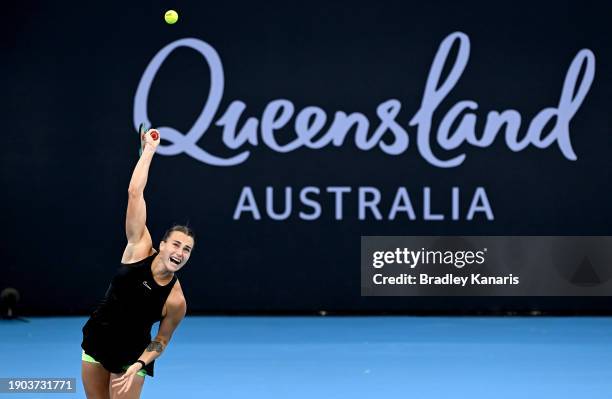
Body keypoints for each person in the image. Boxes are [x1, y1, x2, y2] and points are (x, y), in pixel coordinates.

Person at [81, 128, 194, 398]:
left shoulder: (176, 301)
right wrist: (150, 151)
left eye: (187, 249)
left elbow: (161, 341)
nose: (180, 252)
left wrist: (141, 363)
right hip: (97, 341)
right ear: (163, 245)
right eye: (176, 244)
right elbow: (135, 192)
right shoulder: (139, 249)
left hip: (131, 357)